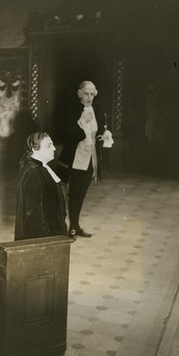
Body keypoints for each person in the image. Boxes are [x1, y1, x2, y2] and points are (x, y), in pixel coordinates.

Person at [56, 81, 113, 239]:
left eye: (92, 94)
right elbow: (66, 135)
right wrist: (81, 123)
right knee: (74, 193)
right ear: (79, 94)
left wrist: (105, 134)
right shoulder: (72, 110)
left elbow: (100, 128)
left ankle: (76, 225)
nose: (89, 97)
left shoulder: (97, 110)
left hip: (90, 158)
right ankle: (71, 227)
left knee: (81, 193)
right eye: (86, 94)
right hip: (75, 158)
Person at [14, 132, 68, 241]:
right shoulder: (33, 173)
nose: (53, 148)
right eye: (48, 145)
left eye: (52, 144)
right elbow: (33, 213)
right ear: (35, 149)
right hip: (41, 236)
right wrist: (48, 238)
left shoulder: (42, 167)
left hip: (51, 228)